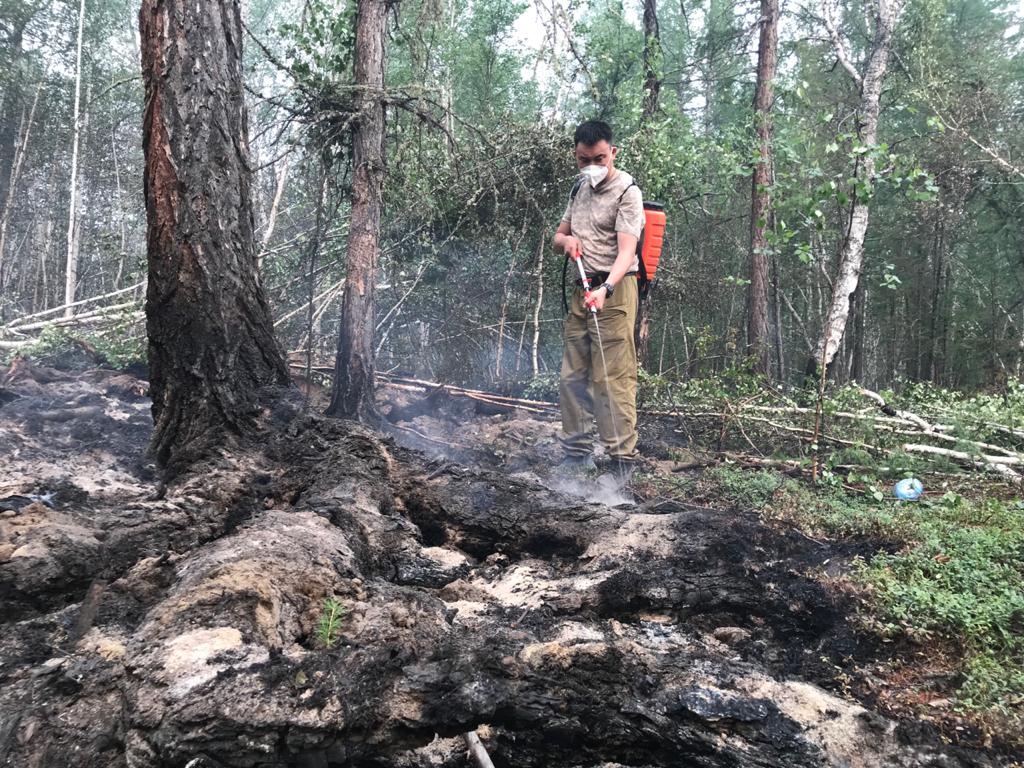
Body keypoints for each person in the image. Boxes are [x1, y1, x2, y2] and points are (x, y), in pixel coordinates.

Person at [553, 120, 644, 475]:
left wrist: (605, 290)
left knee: (612, 377)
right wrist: (567, 242)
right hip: (581, 290)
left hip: (615, 292)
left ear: (613, 153)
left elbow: (627, 252)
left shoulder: (627, 192)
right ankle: (576, 455)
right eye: (583, 159)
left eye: (599, 158)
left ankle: (621, 462)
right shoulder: (579, 188)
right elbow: (558, 236)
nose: (591, 166)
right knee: (571, 377)